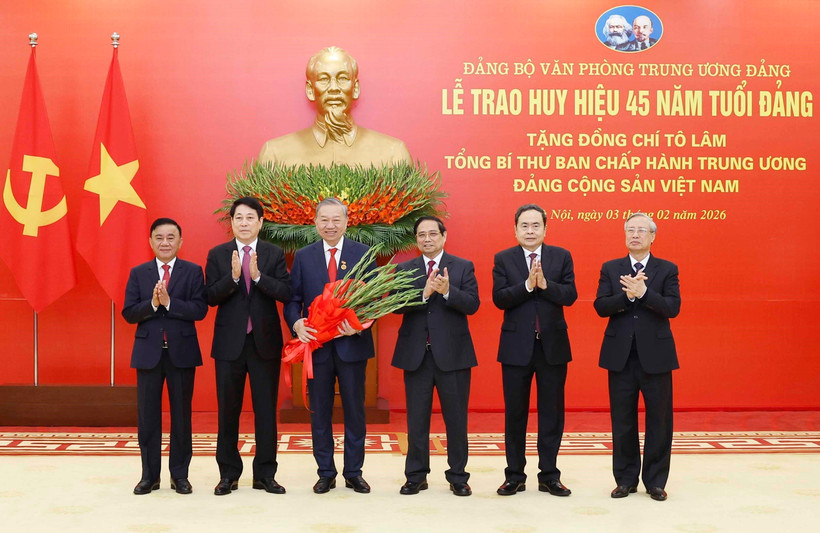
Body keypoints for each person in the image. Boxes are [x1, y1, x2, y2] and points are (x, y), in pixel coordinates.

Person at [285, 197, 375, 494]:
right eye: (324, 219)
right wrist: (297, 324)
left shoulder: (362, 254)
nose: (330, 225)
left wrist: (362, 323)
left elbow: (376, 300)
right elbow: (293, 299)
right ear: (315, 222)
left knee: (354, 410)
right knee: (320, 411)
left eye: (336, 219)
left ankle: (353, 472)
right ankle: (325, 471)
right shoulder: (304, 256)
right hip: (318, 348)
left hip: (352, 346)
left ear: (347, 222)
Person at [205, 197, 291, 496]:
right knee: (228, 411)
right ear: (231, 223)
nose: (244, 223)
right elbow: (209, 297)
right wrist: (232, 278)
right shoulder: (218, 255)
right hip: (229, 345)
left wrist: (257, 276)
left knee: (265, 411)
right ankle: (228, 474)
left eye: (250, 217)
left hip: (264, 343)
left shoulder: (273, 253)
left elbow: (285, 292)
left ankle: (265, 474)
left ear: (260, 222)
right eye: (238, 218)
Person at [594, 212, 680, 502]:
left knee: (659, 420)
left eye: (642, 230)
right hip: (620, 357)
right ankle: (625, 480)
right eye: (630, 229)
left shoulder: (667, 269)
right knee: (623, 421)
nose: (635, 234)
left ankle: (655, 481)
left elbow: (672, 308)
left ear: (653, 236)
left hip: (656, 357)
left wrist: (644, 293)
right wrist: (627, 298)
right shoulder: (611, 268)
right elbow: (601, 306)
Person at [492, 204, 577, 497]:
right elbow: (499, 299)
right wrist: (528, 286)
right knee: (515, 414)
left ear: (545, 229)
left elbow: (570, 295)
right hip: (516, 349)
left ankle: (549, 475)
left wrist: (546, 285)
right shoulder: (503, 259)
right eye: (524, 226)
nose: (530, 231)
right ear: (515, 230)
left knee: (551, 414)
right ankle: (514, 475)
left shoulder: (561, 256)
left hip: (552, 348)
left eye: (535, 225)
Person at [392, 216, 479, 497]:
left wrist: (448, 291)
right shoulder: (405, 269)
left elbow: (473, 304)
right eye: (421, 235)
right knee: (416, 419)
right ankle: (416, 475)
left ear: (443, 236)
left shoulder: (462, 266)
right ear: (416, 240)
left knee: (456, 419)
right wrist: (425, 293)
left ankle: (458, 476)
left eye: (432, 233)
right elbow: (397, 305)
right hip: (417, 356)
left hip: (453, 356)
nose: (427, 239)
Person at [123, 218, 207, 495]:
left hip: (181, 354)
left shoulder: (193, 272)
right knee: (148, 417)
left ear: (180, 242)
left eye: (171, 237)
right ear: (151, 242)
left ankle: (179, 476)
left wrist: (169, 303)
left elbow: (199, 310)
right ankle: (149, 476)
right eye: (159, 237)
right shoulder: (139, 273)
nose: (165, 242)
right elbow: (129, 313)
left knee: (181, 417)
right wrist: (152, 304)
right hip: (148, 354)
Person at [258, 46, 412, 167]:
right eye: (324, 79)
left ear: (355, 88)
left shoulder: (394, 155)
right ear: (310, 90)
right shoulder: (274, 155)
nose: (333, 88)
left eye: (343, 78)